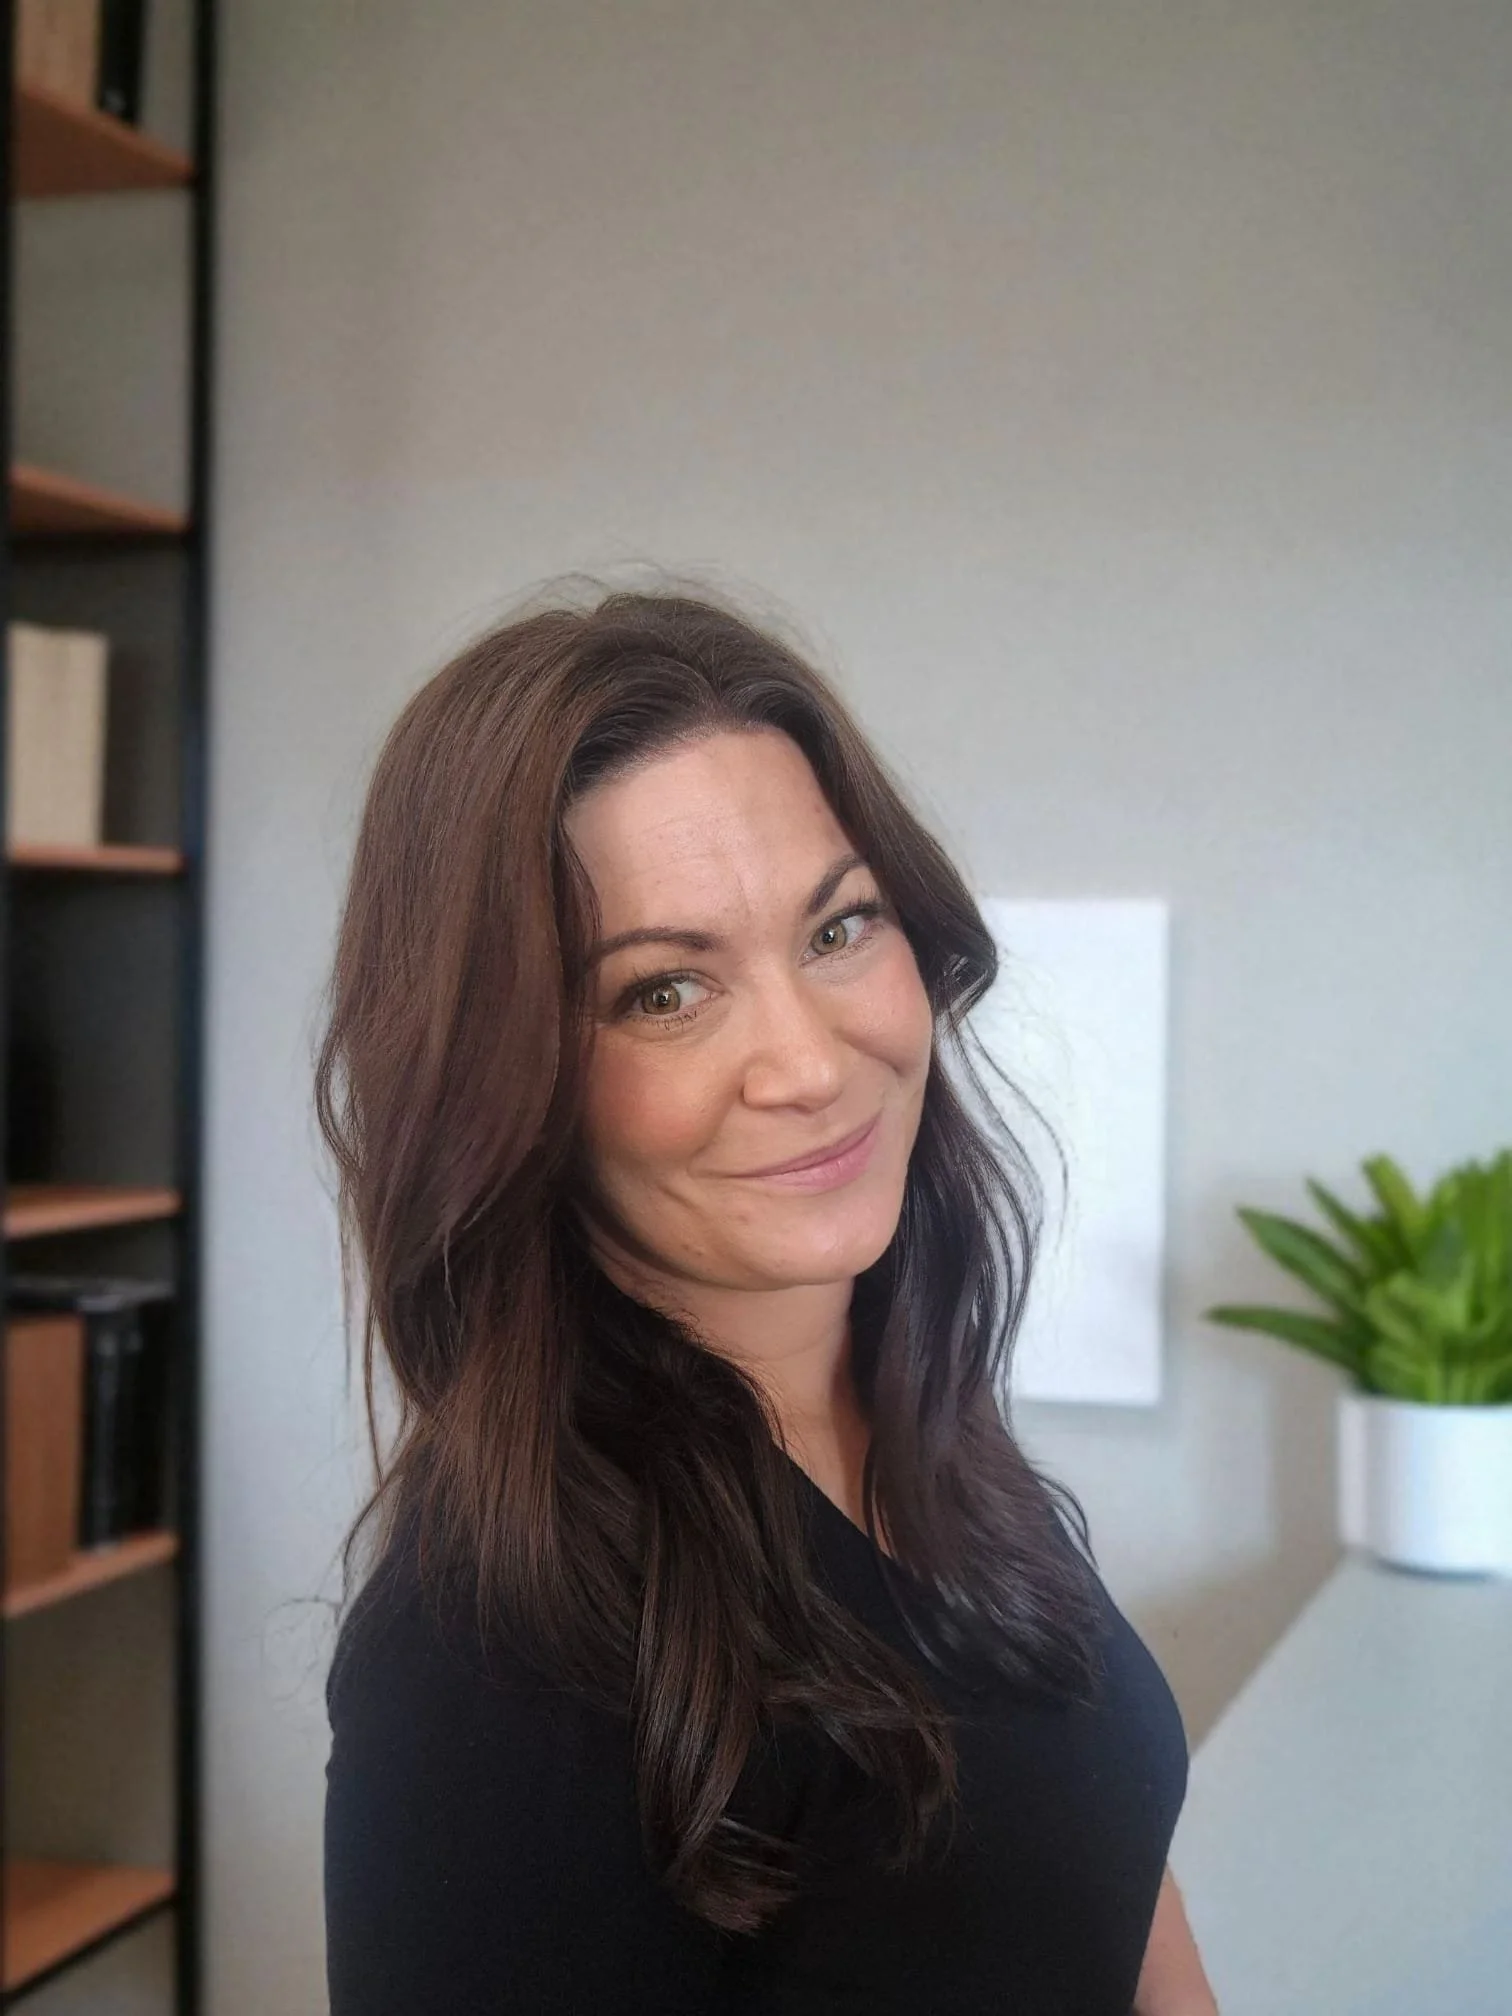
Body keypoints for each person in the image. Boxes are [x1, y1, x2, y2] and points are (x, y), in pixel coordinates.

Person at [316, 583, 1217, 2014]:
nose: (808, 1062)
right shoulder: (490, 1657)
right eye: (664, 993)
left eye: (838, 928)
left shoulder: (920, 1421)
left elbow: (1104, 1864)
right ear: (506, 1085)